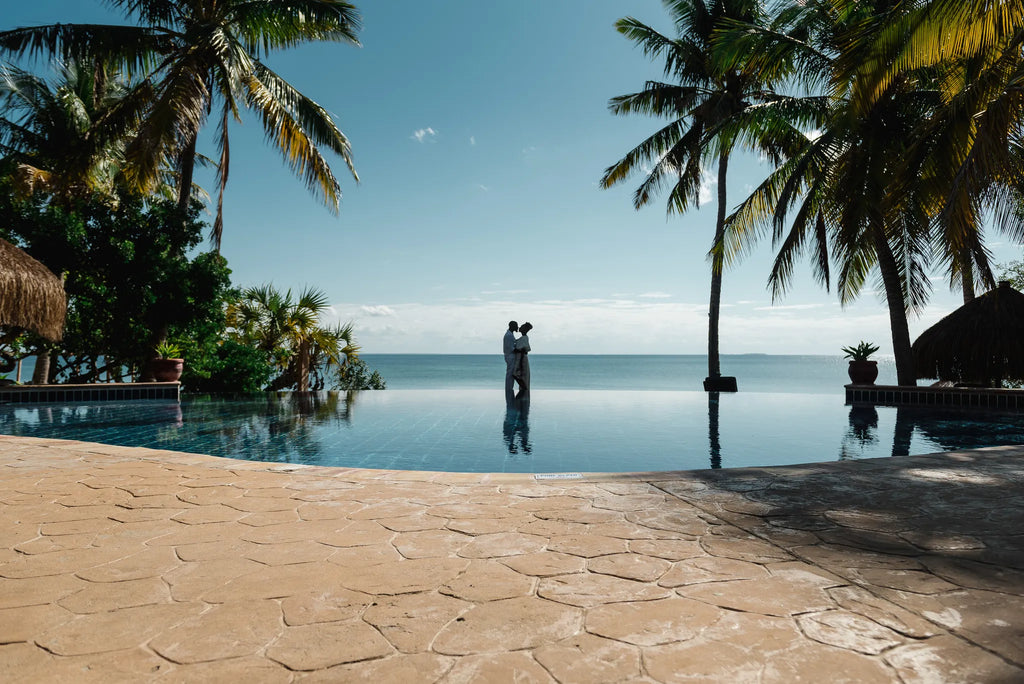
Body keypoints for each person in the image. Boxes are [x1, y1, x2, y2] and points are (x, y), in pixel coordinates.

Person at [512, 322, 532, 390]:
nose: (520, 327)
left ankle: (524, 389)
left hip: (522, 359)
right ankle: (523, 390)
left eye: (521, 326)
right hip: (521, 358)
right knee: (520, 375)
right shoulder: (523, 338)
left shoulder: (524, 338)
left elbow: (524, 350)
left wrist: (515, 350)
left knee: (519, 375)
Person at [504, 321, 519, 397]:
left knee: (510, 373)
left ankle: (509, 388)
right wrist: (521, 349)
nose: (517, 327)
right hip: (510, 356)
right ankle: (508, 389)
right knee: (510, 374)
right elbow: (512, 348)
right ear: (512, 326)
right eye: (516, 326)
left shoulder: (510, 334)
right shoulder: (509, 335)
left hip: (510, 356)